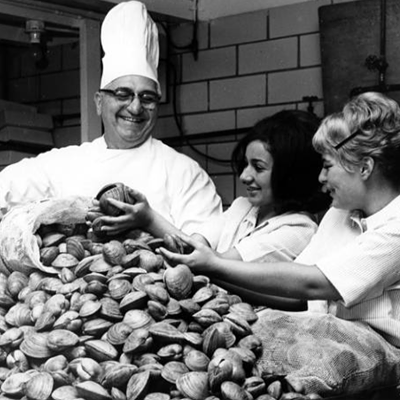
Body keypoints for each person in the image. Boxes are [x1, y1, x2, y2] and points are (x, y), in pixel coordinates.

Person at [157, 91, 400, 348]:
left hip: (380, 362)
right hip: (323, 342)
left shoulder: (396, 226)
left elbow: (315, 283)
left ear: (365, 168)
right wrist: (209, 270)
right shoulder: (340, 213)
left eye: (328, 166)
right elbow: (296, 297)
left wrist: (214, 265)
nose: (321, 178)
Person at [0, 1, 222, 234]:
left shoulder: (184, 173)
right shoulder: (67, 164)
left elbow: (204, 254)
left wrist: (150, 222)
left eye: (147, 97)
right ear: (99, 102)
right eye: (122, 94)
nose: (135, 108)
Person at [95, 109, 330, 310]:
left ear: (292, 175)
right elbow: (192, 246)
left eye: (258, 167)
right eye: (245, 164)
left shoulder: (299, 229)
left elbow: (216, 263)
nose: (245, 176)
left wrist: (149, 220)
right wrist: (145, 216)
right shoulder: (243, 207)